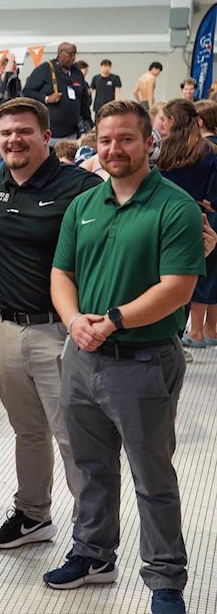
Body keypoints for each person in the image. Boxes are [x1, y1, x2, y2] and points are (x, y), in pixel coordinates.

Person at [46, 99, 203, 614]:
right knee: (90, 466)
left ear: (148, 143)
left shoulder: (174, 207)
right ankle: (93, 554)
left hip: (143, 360)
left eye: (127, 139)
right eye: (106, 140)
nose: (115, 149)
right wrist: (74, 322)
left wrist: (112, 319)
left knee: (151, 474)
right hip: (82, 356)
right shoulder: (84, 204)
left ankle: (164, 580)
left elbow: (178, 287)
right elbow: (62, 274)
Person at [0, 97, 102, 551]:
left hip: (59, 332)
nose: (14, 140)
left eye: (24, 132)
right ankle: (33, 515)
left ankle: (91, 540)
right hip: (7, 329)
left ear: (45, 136)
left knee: (74, 437)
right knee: (28, 431)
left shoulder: (78, 186)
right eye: (6, 133)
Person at [152, 99, 217, 349]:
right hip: (196, 219)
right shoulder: (209, 151)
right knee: (187, 280)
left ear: (171, 121)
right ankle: (178, 336)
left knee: (160, 278)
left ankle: (159, 333)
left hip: (161, 218)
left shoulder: (160, 150)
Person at [22, 42, 93, 144]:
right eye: (70, 54)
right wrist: (46, 98)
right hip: (50, 135)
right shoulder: (44, 69)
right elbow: (27, 92)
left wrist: (88, 122)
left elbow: (84, 100)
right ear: (60, 54)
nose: (73, 58)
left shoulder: (77, 72)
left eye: (74, 54)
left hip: (72, 135)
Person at [0, 55, 22, 174]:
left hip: (6, 119)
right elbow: (6, 76)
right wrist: (11, 58)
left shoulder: (14, 82)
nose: (14, 71)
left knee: (4, 155)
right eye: (13, 68)